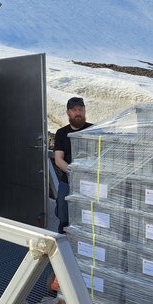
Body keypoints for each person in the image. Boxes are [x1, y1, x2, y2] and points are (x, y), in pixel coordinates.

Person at [53, 97, 92, 234]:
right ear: (68, 112)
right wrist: (74, 173)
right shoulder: (61, 133)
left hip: (90, 182)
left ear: (84, 111)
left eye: (80, 110)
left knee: (88, 218)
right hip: (68, 181)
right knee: (64, 215)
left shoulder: (94, 130)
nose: (78, 113)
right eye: (74, 110)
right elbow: (58, 159)